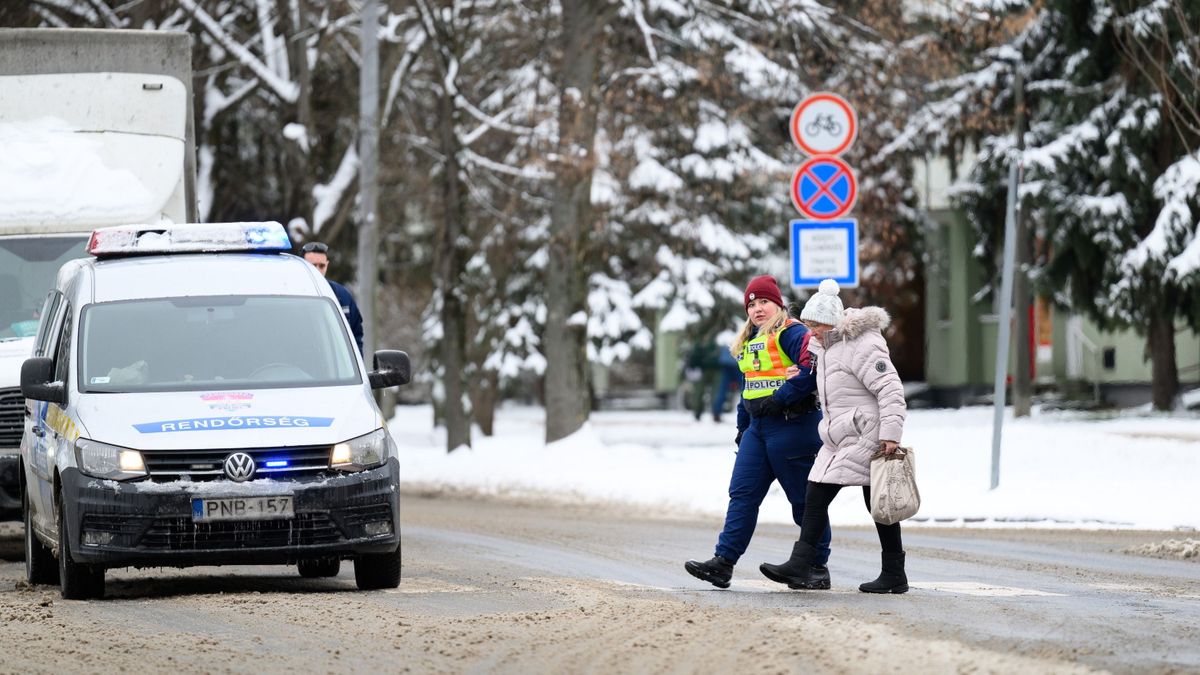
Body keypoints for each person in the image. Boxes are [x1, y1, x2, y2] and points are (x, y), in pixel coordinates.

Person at [759, 278, 910, 594]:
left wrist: (891, 435)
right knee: (853, 499)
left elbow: (891, 389)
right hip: (838, 433)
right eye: (809, 324)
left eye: (816, 325)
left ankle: (807, 562)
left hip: (866, 432)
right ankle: (892, 573)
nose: (810, 331)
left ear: (831, 322)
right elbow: (831, 387)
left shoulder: (863, 344)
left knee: (857, 499)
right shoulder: (824, 347)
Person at [684, 275, 832, 589]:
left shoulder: (793, 332)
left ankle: (815, 567)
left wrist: (780, 399)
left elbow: (812, 368)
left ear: (777, 303)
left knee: (804, 502)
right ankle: (723, 562)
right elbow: (749, 388)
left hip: (793, 425)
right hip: (758, 428)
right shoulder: (750, 340)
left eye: (764, 301)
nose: (757, 309)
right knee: (742, 495)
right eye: (751, 304)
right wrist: (742, 428)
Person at [301, 241, 364, 355]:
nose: (318, 270)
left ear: (327, 265)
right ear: (302, 266)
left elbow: (356, 338)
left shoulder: (342, 296)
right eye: (313, 265)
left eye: (322, 266)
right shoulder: (292, 295)